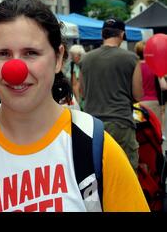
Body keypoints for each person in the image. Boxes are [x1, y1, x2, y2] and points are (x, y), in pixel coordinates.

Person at [0, 0, 148, 212]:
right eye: (2, 54)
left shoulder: (98, 149)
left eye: (31, 53)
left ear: (58, 59)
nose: (15, 69)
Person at [79, 18, 143, 170]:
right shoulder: (131, 58)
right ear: (122, 34)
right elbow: (138, 95)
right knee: (125, 171)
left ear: (102, 34)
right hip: (120, 122)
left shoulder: (85, 59)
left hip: (92, 125)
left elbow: (82, 92)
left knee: (97, 170)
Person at [134, 41, 165, 125]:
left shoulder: (134, 67)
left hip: (138, 104)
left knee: (140, 130)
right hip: (153, 102)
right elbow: (163, 86)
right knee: (156, 130)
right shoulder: (154, 66)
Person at [67, 44, 85, 108]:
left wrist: (77, 101)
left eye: (73, 55)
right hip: (76, 96)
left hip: (79, 98)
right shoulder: (72, 65)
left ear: (79, 55)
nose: (71, 57)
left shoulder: (78, 66)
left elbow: (75, 85)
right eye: (71, 54)